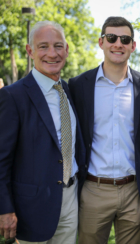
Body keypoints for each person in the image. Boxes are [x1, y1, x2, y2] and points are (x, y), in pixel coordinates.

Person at [68, 16, 140, 244]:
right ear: (101, 42)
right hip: (94, 189)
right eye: (112, 38)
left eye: (125, 39)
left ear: (133, 46)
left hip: (133, 189)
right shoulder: (78, 85)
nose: (118, 43)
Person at [0, 21, 85, 243]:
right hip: (32, 207)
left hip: (70, 198)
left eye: (58, 46)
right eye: (43, 46)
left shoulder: (68, 90)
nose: (52, 53)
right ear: (30, 51)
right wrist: (4, 209)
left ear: (66, 49)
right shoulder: (13, 96)